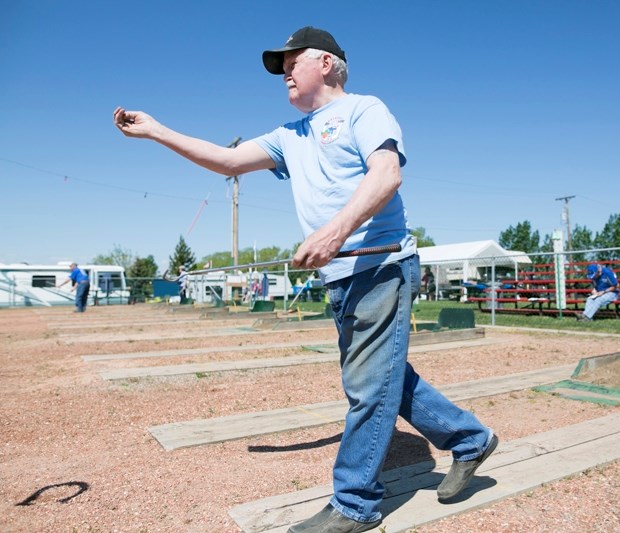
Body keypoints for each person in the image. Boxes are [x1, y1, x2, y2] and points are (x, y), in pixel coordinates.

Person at [113, 26, 496, 533]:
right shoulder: (288, 136)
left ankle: (354, 503)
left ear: (329, 64)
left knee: (367, 386)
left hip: (379, 264)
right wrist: (157, 130)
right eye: (281, 65)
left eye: (294, 60)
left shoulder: (364, 109)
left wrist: (335, 232)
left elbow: (386, 176)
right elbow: (226, 161)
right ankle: (469, 439)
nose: (285, 71)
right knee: (383, 380)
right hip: (340, 276)